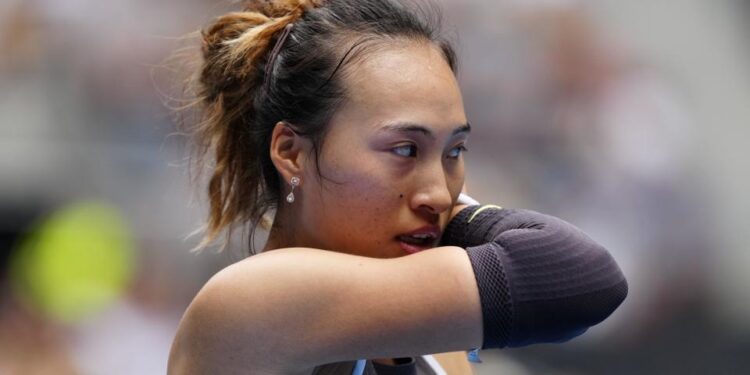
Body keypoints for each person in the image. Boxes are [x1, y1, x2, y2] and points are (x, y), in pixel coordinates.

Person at [167, 1, 627, 374]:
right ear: (291, 152)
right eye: (406, 150)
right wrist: (462, 219)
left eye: (454, 152)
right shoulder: (250, 303)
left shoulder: (438, 349)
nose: (439, 193)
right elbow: (581, 278)